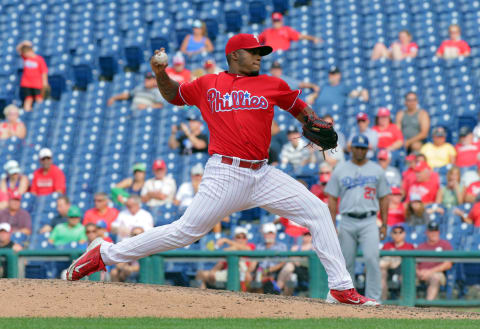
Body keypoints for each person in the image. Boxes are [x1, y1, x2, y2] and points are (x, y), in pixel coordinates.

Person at [67, 33, 379, 305]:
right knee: (184, 232)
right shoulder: (208, 83)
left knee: (318, 211)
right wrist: (160, 73)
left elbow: (299, 109)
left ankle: (341, 287)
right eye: (254, 52)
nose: (259, 56)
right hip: (225, 173)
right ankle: (103, 255)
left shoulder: (272, 84)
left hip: (263, 173)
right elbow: (174, 95)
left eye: (262, 52)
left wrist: (314, 120)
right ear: (234, 55)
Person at [325, 135, 391, 302]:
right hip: (347, 220)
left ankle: (373, 298)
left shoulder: (376, 170)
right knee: (346, 262)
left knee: (372, 259)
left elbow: (384, 197)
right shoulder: (340, 169)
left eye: (363, 148)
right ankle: (348, 297)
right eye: (357, 147)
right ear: (351, 148)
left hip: (369, 220)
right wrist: (332, 224)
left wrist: (384, 224)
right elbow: (331, 197)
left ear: (367, 150)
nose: (360, 150)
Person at [195, 226, 255, 291]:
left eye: (244, 237)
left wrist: (226, 240)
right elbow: (220, 264)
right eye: (238, 237)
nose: (241, 239)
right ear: (234, 238)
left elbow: (247, 250)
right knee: (200, 274)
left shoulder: (251, 246)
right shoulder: (229, 249)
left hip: (243, 274)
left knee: (246, 275)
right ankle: (203, 297)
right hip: (226, 274)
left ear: (247, 239)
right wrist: (213, 271)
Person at [416, 221, 453, 300]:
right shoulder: (421, 246)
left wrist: (430, 272)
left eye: (435, 231)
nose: (434, 233)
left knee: (435, 278)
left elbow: (448, 264)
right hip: (420, 273)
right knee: (405, 277)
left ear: (438, 232)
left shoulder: (445, 245)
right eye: (431, 231)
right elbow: (413, 263)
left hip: (437, 273)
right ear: (427, 232)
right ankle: (405, 308)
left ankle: (427, 308)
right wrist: (418, 272)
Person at [250, 223, 287, 294]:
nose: (270, 236)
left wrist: (267, 270)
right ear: (264, 235)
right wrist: (249, 272)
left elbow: (283, 262)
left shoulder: (282, 246)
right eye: (267, 233)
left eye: (271, 233)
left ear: (275, 234)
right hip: (260, 273)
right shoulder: (259, 246)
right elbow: (254, 263)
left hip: (275, 273)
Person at [379, 224, 414, 300]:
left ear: (404, 234)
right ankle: (382, 301)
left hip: (401, 271)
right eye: (395, 232)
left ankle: (405, 303)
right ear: (391, 234)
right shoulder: (387, 245)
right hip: (388, 271)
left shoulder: (409, 246)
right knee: (381, 272)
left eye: (400, 232)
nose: (397, 234)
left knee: (405, 275)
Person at [277, 231, 313, 295]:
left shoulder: (314, 248)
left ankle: (277, 288)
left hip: (307, 272)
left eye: (309, 235)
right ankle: (285, 296)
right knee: (290, 276)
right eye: (305, 235)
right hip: (295, 270)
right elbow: (293, 259)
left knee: (289, 266)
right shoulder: (295, 247)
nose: (307, 237)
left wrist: (297, 260)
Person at [16, 40, 48, 111]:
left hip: (37, 84)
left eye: (26, 53)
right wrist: (23, 43)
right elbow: (18, 49)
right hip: (26, 84)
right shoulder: (26, 58)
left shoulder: (39, 59)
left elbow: (44, 72)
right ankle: (27, 114)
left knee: (39, 99)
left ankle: (39, 113)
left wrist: (45, 83)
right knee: (28, 99)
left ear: (31, 51)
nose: (25, 54)